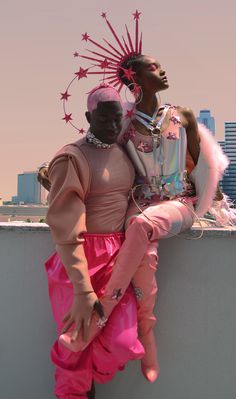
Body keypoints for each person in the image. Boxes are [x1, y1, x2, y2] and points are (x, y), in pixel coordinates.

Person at [45, 85, 145, 399]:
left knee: (120, 343)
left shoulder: (124, 149)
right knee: (75, 352)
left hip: (118, 258)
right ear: (89, 117)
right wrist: (81, 288)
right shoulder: (71, 157)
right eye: (104, 120)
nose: (113, 126)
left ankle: (88, 382)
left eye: (118, 119)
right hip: (80, 261)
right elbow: (65, 225)